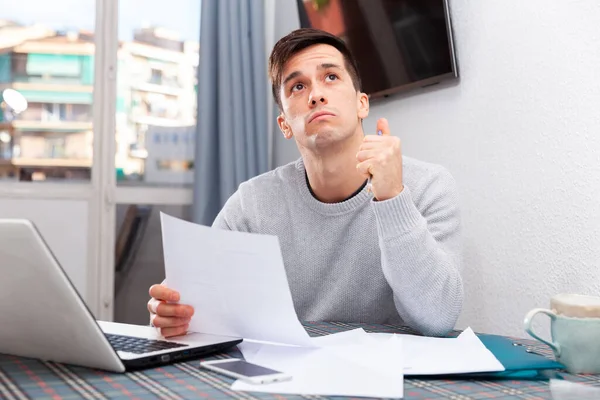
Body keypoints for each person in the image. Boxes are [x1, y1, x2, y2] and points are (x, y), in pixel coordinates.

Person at [147, 28, 463, 338]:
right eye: (298, 87)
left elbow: (437, 319)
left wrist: (392, 197)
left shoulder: (428, 187)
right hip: (286, 374)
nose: (316, 94)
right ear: (284, 124)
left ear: (361, 104)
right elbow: (198, 302)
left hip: (396, 377)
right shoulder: (252, 204)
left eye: (331, 77)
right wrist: (172, 312)